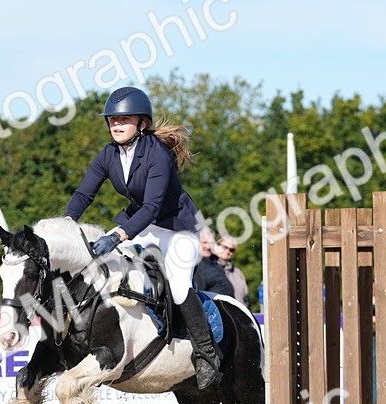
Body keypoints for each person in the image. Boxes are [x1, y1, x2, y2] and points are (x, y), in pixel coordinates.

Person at [62, 86, 221, 388]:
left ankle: (206, 354)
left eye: (124, 119)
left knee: (176, 286)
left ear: (142, 124)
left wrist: (119, 235)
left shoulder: (157, 153)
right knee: (97, 266)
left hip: (176, 228)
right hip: (141, 224)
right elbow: (85, 193)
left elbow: (152, 206)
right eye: (112, 121)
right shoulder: (108, 154)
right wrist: (66, 223)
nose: (116, 125)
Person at [192, 227, 234, 298]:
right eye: (204, 242)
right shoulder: (195, 266)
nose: (208, 246)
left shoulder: (216, 262)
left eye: (210, 243)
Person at [213, 233, 250, 306]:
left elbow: (245, 298)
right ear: (216, 245)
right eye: (224, 247)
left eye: (231, 250)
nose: (228, 251)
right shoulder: (206, 269)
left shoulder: (237, 273)